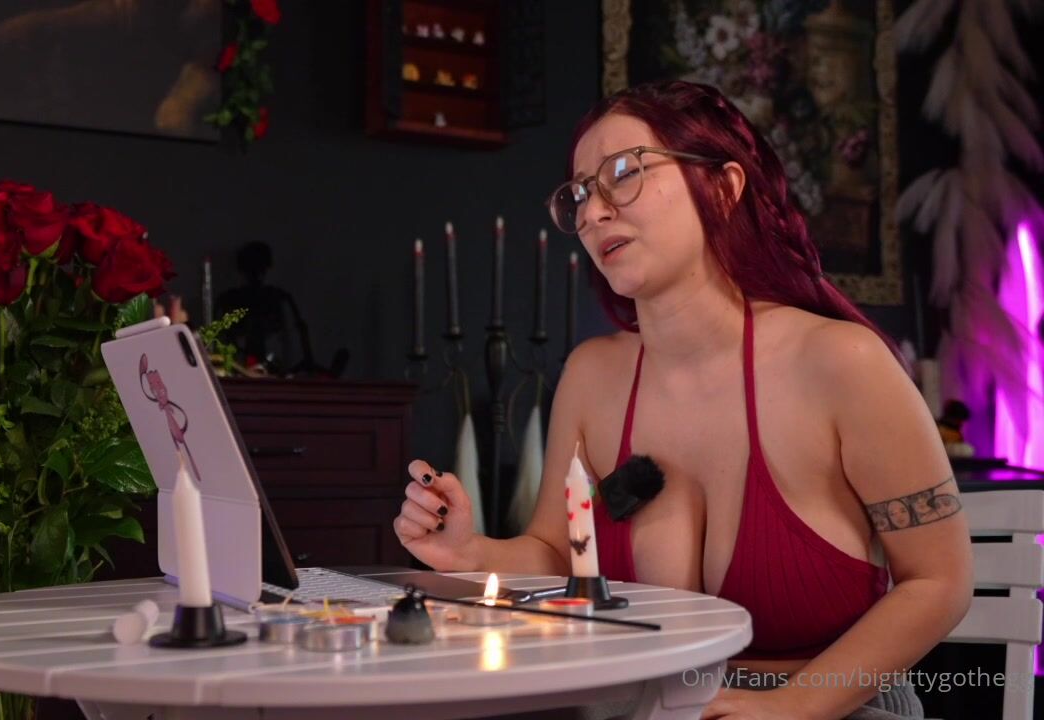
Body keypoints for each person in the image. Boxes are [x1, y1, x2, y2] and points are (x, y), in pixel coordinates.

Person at [393, 81, 972, 720]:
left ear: (722, 188)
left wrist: (791, 708)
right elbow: (558, 557)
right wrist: (470, 554)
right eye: (580, 193)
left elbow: (939, 581)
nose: (593, 212)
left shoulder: (841, 362)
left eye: (623, 173)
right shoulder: (592, 376)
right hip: (659, 705)